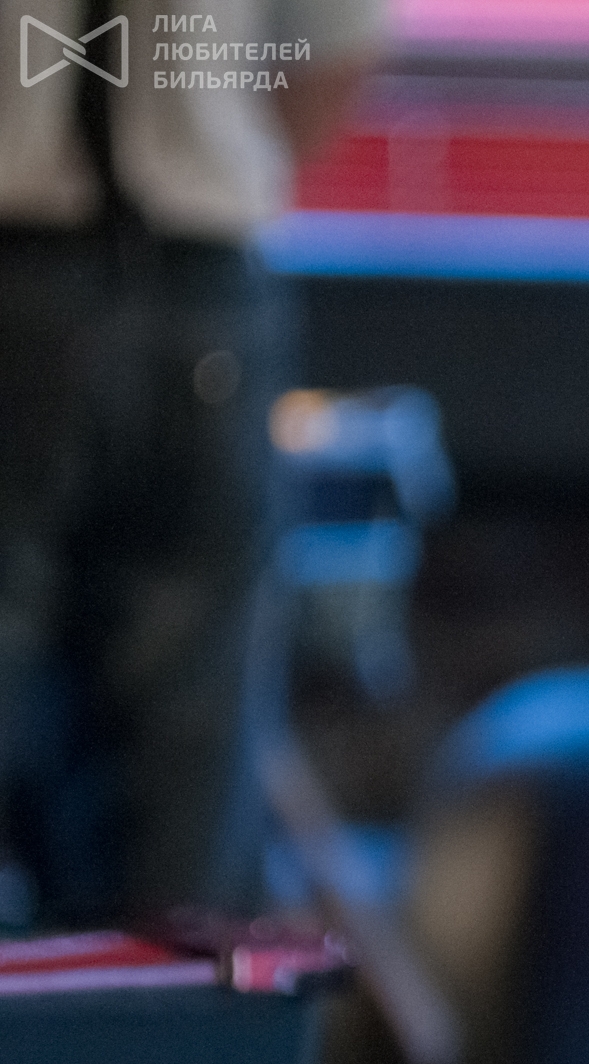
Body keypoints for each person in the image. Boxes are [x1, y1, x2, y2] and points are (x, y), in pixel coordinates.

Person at [0, 0, 384, 924]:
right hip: (202, 293)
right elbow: (329, 71)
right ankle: (171, 1014)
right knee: (189, 766)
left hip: (22, 272)